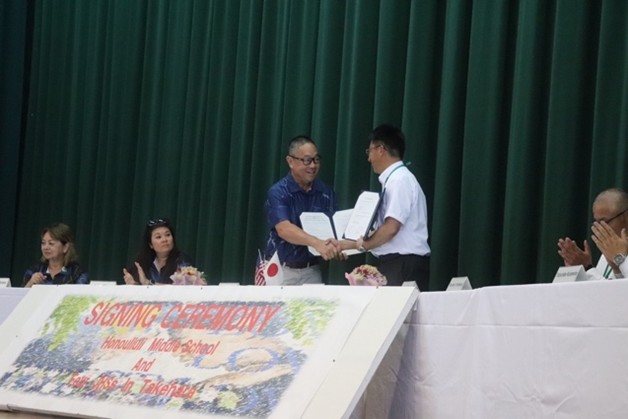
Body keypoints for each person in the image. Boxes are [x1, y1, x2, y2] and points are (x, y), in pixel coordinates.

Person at [341, 124, 431, 289]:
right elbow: (384, 228)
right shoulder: (396, 179)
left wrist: (364, 245)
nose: (369, 159)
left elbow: (391, 228)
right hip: (399, 263)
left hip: (403, 264)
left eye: (369, 151)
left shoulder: (399, 180)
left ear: (380, 150)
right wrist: (344, 244)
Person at [263, 135, 342, 285]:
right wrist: (317, 243)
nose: (313, 165)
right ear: (290, 161)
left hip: (311, 270)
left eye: (316, 159)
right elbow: (284, 229)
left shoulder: (326, 193)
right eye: (306, 160)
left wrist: (339, 248)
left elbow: (334, 230)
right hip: (280, 270)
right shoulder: (278, 192)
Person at [558, 188, 628, 279]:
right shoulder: (609, 251)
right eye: (596, 223)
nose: (599, 229)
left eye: (604, 222)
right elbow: (612, 286)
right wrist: (586, 267)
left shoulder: (616, 253)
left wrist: (620, 260)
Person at [123, 218, 195, 285]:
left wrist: (148, 283)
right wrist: (134, 285)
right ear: (150, 244)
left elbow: (181, 290)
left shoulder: (183, 260)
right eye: (158, 237)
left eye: (167, 235)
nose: (164, 240)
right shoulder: (143, 262)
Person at [23, 223, 89, 287]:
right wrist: (30, 283)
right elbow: (21, 293)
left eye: (51, 243)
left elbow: (80, 293)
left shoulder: (77, 273)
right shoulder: (34, 270)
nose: (46, 247)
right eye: (43, 243)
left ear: (65, 247)